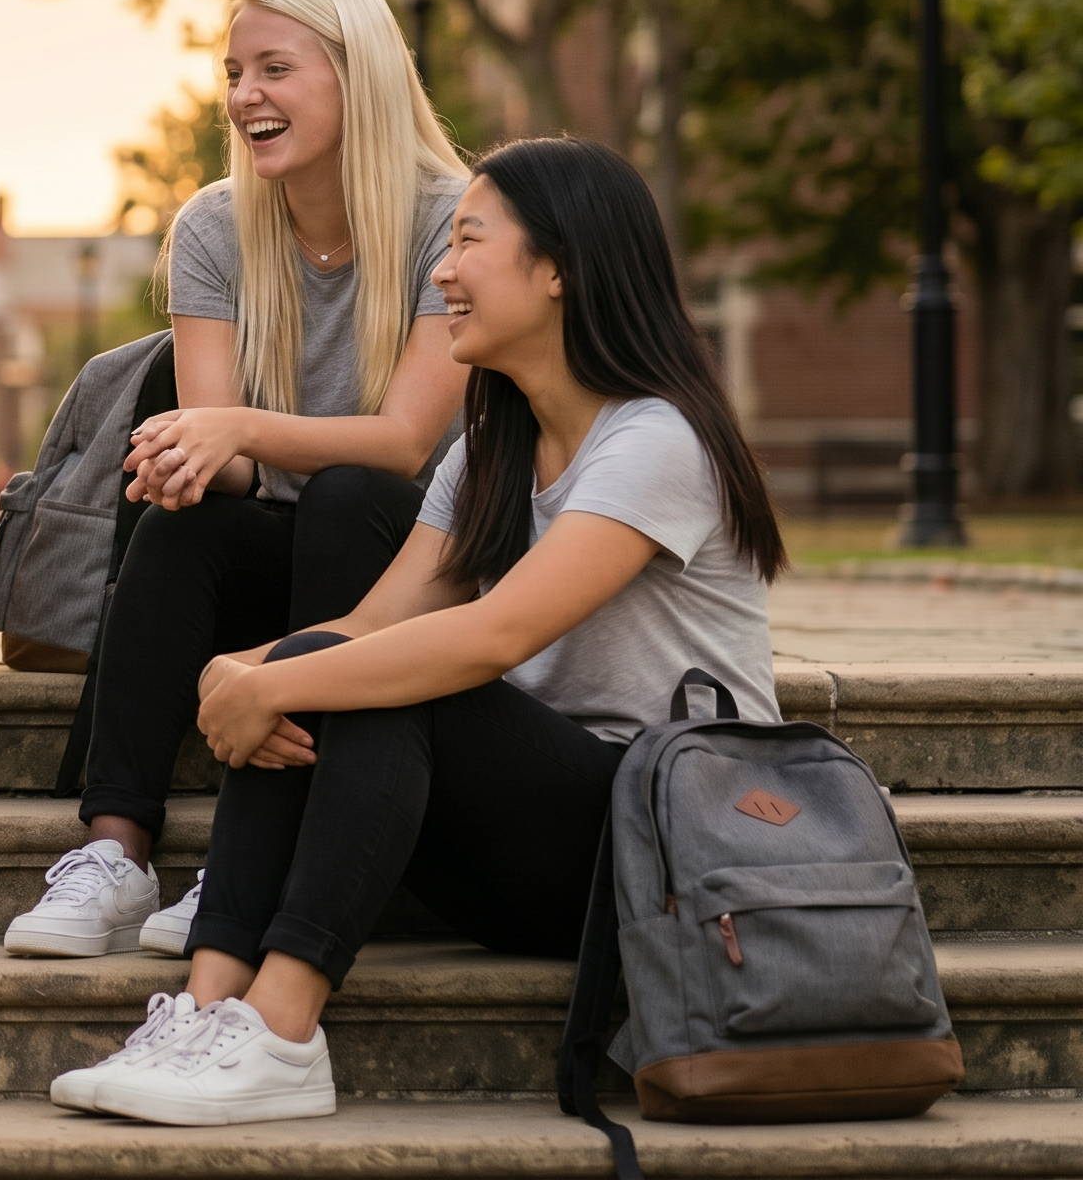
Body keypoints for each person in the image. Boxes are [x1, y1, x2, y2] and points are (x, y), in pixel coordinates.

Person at [49, 136, 787, 1126]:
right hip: (531, 862)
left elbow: (488, 639)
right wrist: (236, 673)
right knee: (331, 663)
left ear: (560, 266)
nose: (440, 270)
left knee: (372, 682)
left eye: (469, 239)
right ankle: (205, 1007)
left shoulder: (656, 438)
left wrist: (282, 679)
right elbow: (368, 623)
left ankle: (280, 1030)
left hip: (665, 849)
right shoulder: (489, 448)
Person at [4, 0, 471, 961]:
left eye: (274, 69)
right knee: (182, 519)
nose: (244, 95)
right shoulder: (214, 226)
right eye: (233, 73)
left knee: (352, 495)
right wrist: (183, 458)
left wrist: (240, 434)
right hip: (282, 537)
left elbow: (407, 444)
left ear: (359, 77)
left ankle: (248, 858)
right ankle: (114, 851)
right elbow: (224, 450)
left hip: (413, 561)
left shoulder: (452, 220)